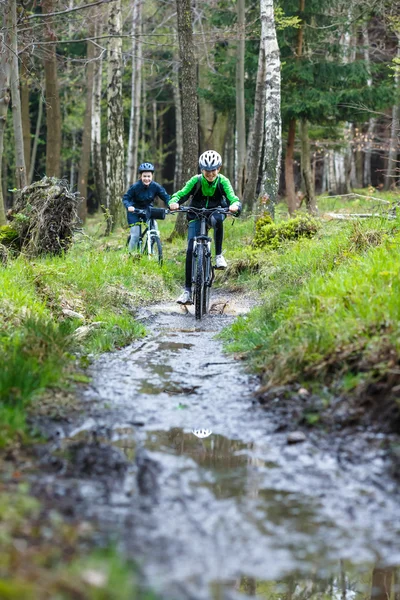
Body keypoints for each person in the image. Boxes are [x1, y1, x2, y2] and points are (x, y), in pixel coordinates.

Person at [169, 150, 241, 305]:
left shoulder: (223, 181)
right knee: (190, 249)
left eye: (213, 170)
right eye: (207, 171)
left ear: (219, 169)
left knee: (217, 220)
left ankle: (218, 255)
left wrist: (234, 205)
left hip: (216, 211)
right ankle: (187, 291)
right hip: (196, 213)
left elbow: (232, 198)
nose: (210, 174)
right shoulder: (195, 181)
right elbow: (180, 194)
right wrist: (174, 202)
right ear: (201, 170)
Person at [122, 162, 170, 252]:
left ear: (152, 176)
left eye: (149, 176)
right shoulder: (135, 187)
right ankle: (130, 256)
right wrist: (129, 206)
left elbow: (165, 196)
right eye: (144, 176)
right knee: (135, 235)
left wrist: (170, 204)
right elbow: (126, 198)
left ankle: (150, 250)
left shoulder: (155, 186)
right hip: (134, 211)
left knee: (154, 229)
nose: (146, 179)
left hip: (147, 210)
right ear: (140, 176)